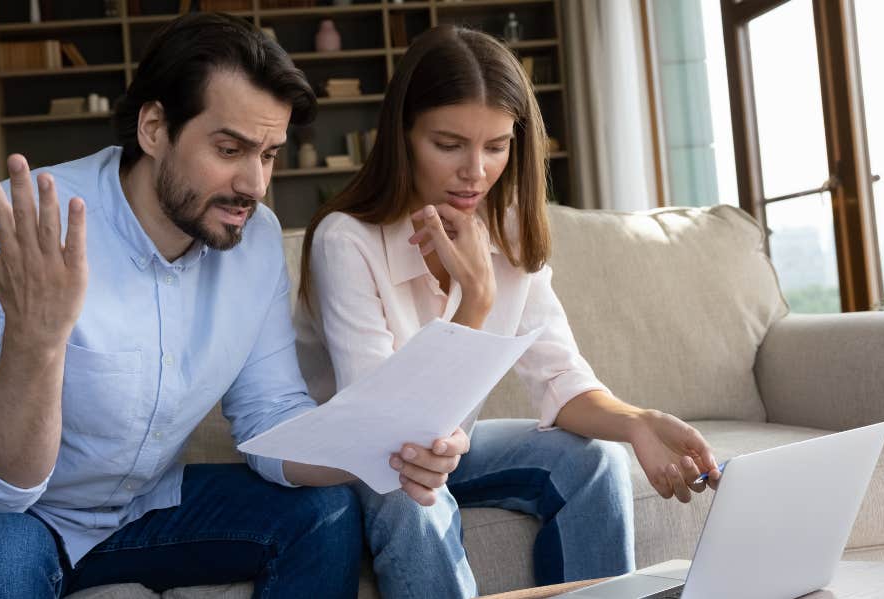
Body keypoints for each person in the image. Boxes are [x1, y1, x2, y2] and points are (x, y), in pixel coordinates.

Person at [0, 14, 469, 598]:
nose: (254, 184)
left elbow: (271, 417)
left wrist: (390, 452)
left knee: (325, 511)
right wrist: (37, 340)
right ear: (154, 128)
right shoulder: (25, 228)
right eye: (229, 148)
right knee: (0, 550)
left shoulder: (255, 239)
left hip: (138, 510)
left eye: (268, 154)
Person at [293, 25, 724, 599]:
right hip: (363, 466)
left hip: (447, 449)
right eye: (448, 145)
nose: (475, 171)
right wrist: (475, 299)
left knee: (594, 462)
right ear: (402, 136)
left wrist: (637, 422)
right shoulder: (346, 240)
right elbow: (391, 428)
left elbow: (560, 377)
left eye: (496, 146)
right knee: (411, 494)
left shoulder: (509, 227)